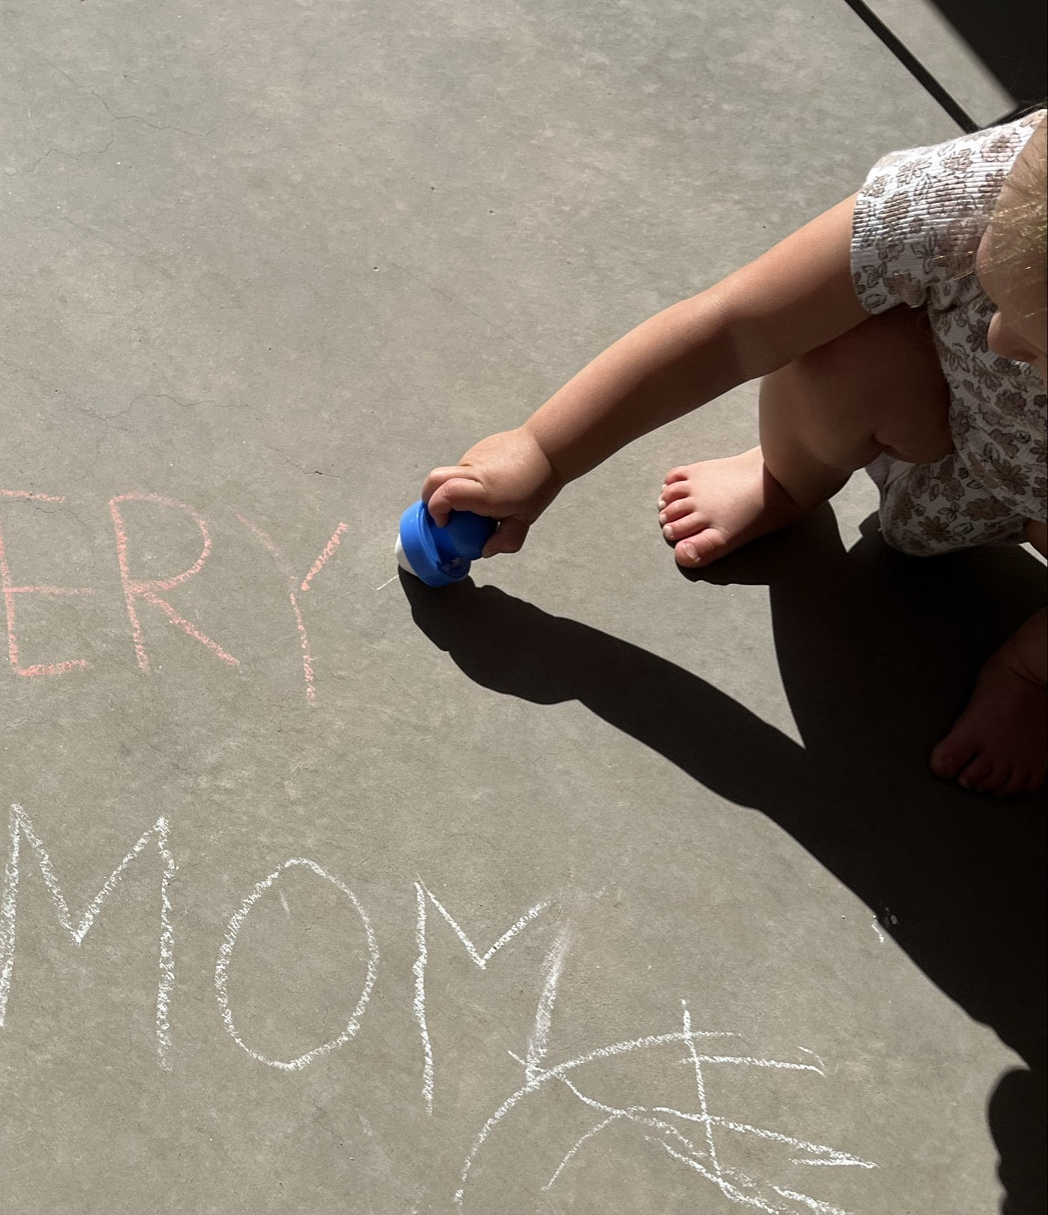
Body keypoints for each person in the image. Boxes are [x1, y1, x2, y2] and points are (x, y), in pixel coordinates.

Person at [421, 115, 1047, 796]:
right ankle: (783, 480)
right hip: (952, 443)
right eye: (996, 290)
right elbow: (734, 328)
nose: (999, 339)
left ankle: (1027, 673)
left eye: (1040, 343)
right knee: (847, 356)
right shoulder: (969, 196)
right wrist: (543, 450)